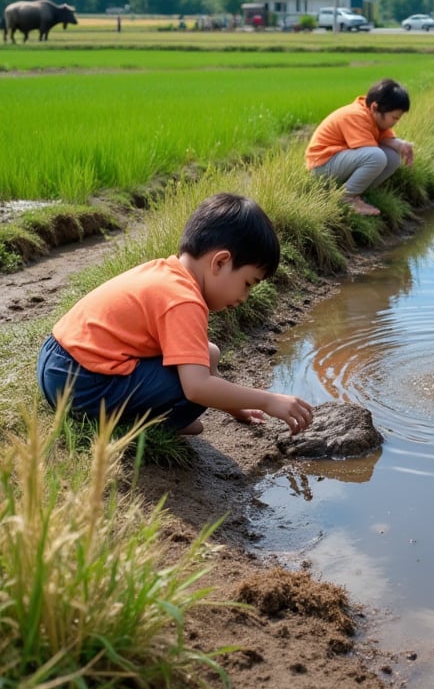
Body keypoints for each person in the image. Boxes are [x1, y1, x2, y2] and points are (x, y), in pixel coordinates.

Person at [37, 192, 314, 437]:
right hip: (80, 386)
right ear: (220, 262)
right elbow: (198, 387)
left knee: (209, 354)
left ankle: (149, 418)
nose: (244, 298)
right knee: (194, 392)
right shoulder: (184, 300)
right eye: (247, 284)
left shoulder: (166, 272)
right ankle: (151, 426)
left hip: (56, 361)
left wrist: (235, 407)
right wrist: (267, 400)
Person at [305, 78, 414, 216]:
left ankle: (356, 194)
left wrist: (400, 145)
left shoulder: (371, 114)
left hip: (339, 162)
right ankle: (345, 198)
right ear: (375, 107)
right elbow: (372, 154)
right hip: (321, 167)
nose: (395, 122)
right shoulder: (355, 115)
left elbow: (383, 137)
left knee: (393, 158)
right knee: (377, 157)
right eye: (394, 118)